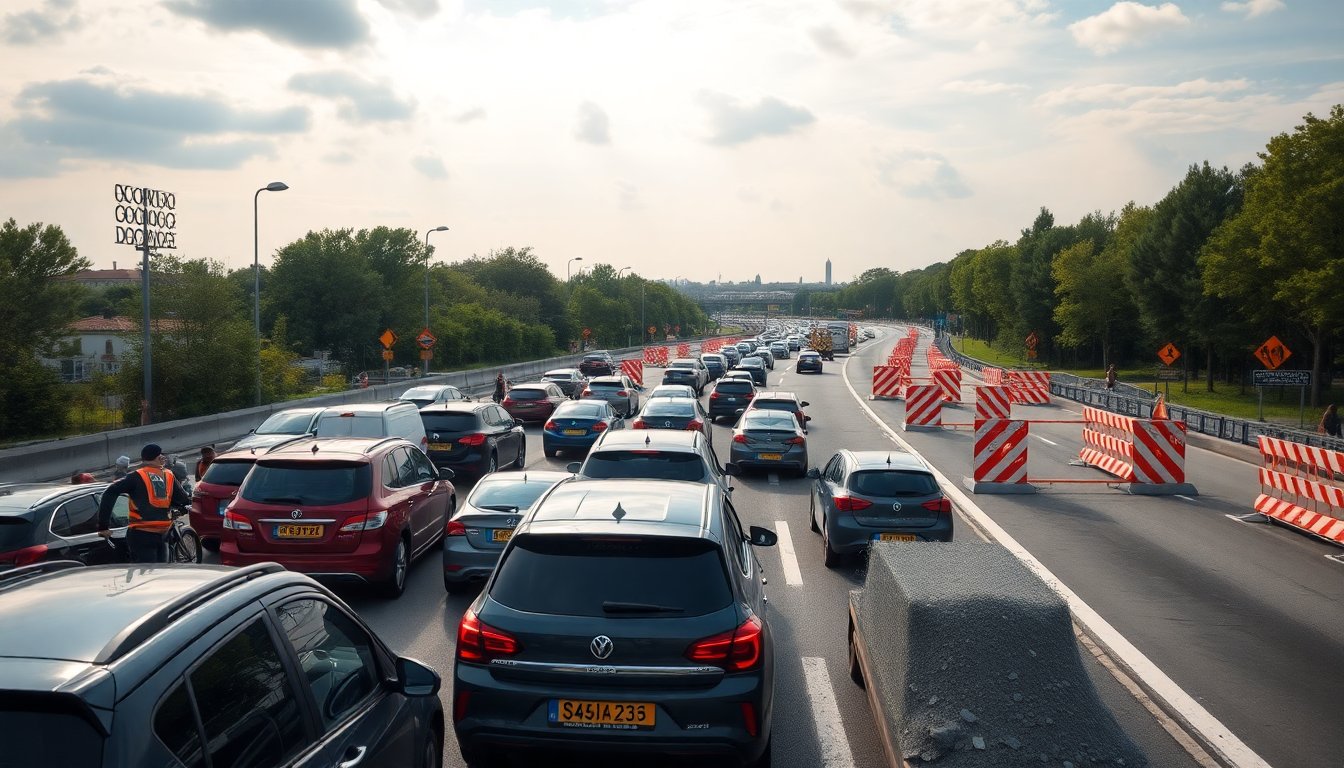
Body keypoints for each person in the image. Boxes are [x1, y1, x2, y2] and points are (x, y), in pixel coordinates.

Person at [97, 443, 191, 564]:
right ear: (158, 458)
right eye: (161, 455)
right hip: (162, 533)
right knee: (160, 573)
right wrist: (185, 505)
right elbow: (183, 499)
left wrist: (103, 526)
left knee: (146, 575)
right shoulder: (168, 475)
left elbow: (109, 493)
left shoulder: (135, 477)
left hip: (140, 535)